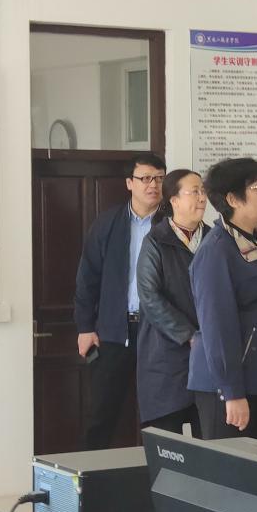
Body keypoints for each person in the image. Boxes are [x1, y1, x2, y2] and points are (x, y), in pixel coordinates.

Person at [187, 157, 257, 441]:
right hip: (229, 387)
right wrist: (231, 391)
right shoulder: (217, 250)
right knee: (228, 467)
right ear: (232, 199)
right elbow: (217, 327)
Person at [74, 152, 166, 450]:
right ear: (129, 183)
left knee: (160, 416)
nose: (153, 185)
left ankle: (157, 476)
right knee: (101, 414)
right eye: (145, 178)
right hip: (114, 333)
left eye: (159, 178)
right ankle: (91, 476)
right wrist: (85, 327)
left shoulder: (171, 223)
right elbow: (87, 277)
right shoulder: (108, 223)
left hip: (159, 334)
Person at [135, 169, 209, 436]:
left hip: (207, 357)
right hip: (164, 358)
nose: (202, 198)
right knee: (167, 449)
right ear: (174, 200)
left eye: (203, 191)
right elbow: (149, 296)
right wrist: (188, 335)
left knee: (211, 448)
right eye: (194, 192)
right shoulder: (156, 240)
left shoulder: (215, 239)